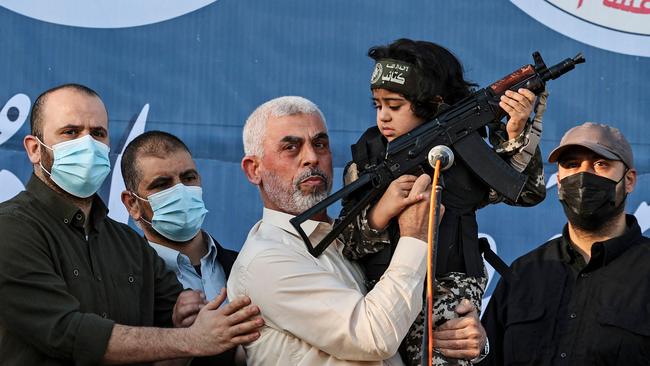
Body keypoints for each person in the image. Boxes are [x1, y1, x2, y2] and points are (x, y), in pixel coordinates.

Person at [0, 83, 263, 365]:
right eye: (70, 132)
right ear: (34, 149)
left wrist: (186, 313)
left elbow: (181, 314)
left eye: (98, 133)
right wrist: (190, 339)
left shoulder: (128, 243)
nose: (87, 144)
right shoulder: (11, 228)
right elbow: (67, 332)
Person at [228, 95, 484, 365]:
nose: (311, 158)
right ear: (253, 169)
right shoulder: (266, 259)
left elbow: (402, 323)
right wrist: (415, 236)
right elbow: (374, 337)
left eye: (320, 144)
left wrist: (463, 335)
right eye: (291, 147)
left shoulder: (352, 237)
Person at [338, 39, 546, 365]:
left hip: (449, 297)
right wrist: (381, 211)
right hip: (378, 299)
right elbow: (344, 244)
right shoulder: (369, 159)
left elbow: (526, 192)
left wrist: (516, 133)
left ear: (430, 103)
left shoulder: (465, 155)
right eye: (378, 106)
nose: (384, 118)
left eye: (395, 106)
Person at [480, 122, 648, 365]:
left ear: (629, 180)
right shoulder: (523, 274)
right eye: (572, 165)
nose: (583, 175)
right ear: (559, 181)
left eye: (601, 164)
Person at [120, 130, 243, 365]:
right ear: (132, 203)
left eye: (188, 178)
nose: (181, 191)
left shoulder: (245, 265)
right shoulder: (122, 283)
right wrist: (182, 339)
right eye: (162, 184)